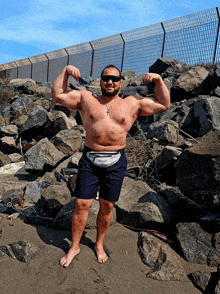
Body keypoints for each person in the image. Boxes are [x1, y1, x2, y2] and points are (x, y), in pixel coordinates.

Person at [51, 64, 170, 267]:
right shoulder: (86, 99)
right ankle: (75, 246)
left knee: (107, 207)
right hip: (90, 159)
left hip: (116, 161)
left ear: (120, 82)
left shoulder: (132, 103)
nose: (110, 82)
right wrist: (66, 70)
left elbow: (163, 104)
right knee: (82, 205)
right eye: (106, 78)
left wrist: (158, 80)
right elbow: (58, 95)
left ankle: (99, 244)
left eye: (115, 79)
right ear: (100, 81)